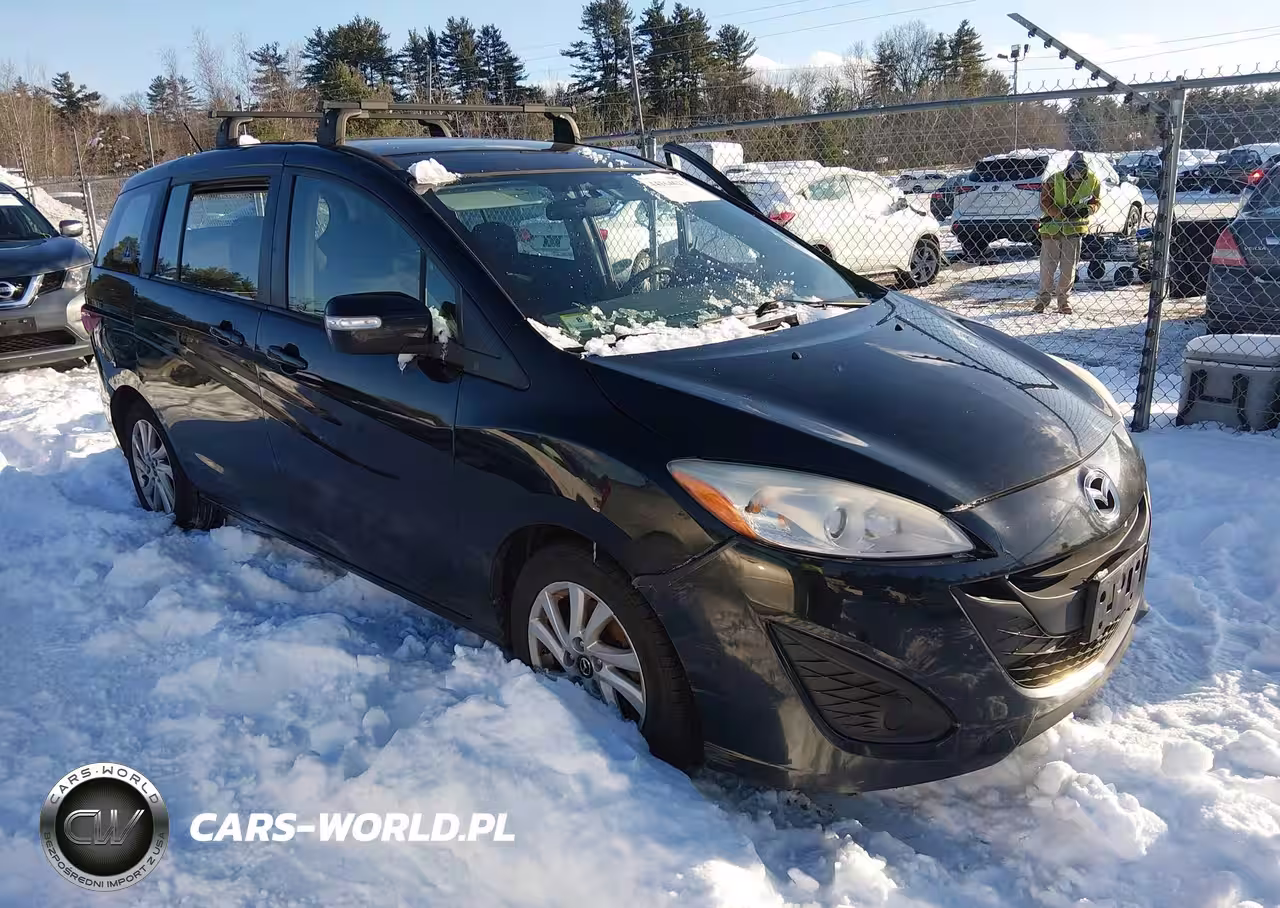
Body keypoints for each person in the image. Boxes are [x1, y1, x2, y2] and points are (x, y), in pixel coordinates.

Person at [1035, 152, 1101, 314]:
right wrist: (1060, 213)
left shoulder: (1093, 181)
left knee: (1069, 268)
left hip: (1074, 230)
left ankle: (1064, 302)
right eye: (1074, 172)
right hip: (1052, 229)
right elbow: (1045, 202)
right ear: (1068, 169)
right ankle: (1042, 300)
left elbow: (1096, 202)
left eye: (1080, 172)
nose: (1076, 175)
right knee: (1047, 268)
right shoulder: (1054, 179)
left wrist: (1086, 210)